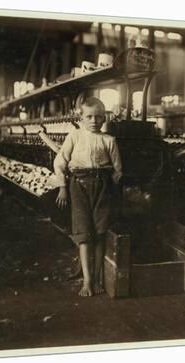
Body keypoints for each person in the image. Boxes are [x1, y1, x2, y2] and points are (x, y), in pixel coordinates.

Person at [54, 97, 122, 297]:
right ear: (80, 117)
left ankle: (99, 278)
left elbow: (118, 170)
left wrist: (114, 188)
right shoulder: (74, 136)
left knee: (100, 234)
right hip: (78, 186)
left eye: (99, 117)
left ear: (104, 118)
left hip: (103, 187)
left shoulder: (109, 140)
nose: (94, 120)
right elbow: (60, 163)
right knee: (84, 235)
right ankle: (87, 281)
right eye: (89, 116)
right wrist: (62, 187)